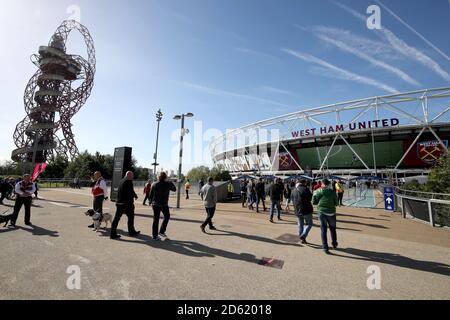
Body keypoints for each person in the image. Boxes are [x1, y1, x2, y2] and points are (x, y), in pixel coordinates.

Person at [110, 171, 141, 240]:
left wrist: (135, 195)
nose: (133, 177)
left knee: (117, 219)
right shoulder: (128, 182)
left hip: (119, 203)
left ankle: (113, 234)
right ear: (129, 176)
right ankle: (131, 232)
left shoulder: (121, 181)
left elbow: (130, 191)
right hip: (127, 204)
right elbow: (130, 192)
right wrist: (132, 200)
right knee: (131, 217)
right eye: (132, 176)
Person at [312, 179, 338, 254]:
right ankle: (334, 243)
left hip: (321, 212)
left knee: (323, 230)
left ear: (322, 184)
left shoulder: (317, 191)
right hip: (331, 212)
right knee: (333, 229)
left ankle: (325, 247)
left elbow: (313, 202)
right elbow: (336, 203)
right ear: (329, 184)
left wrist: (315, 197)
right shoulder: (333, 192)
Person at [149, 172, 176, 240]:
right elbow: (174, 189)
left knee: (156, 219)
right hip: (164, 204)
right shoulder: (167, 184)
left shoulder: (154, 184)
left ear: (159, 177)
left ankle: (154, 235)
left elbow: (150, 194)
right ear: (165, 177)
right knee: (167, 216)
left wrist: (151, 201)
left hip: (155, 204)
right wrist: (170, 182)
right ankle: (161, 231)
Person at [291, 180, 314, 244]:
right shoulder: (306, 189)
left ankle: (302, 238)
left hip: (297, 210)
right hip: (306, 210)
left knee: (300, 225)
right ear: (303, 183)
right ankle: (303, 235)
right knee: (310, 224)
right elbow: (310, 198)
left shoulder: (293, 190)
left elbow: (292, 199)